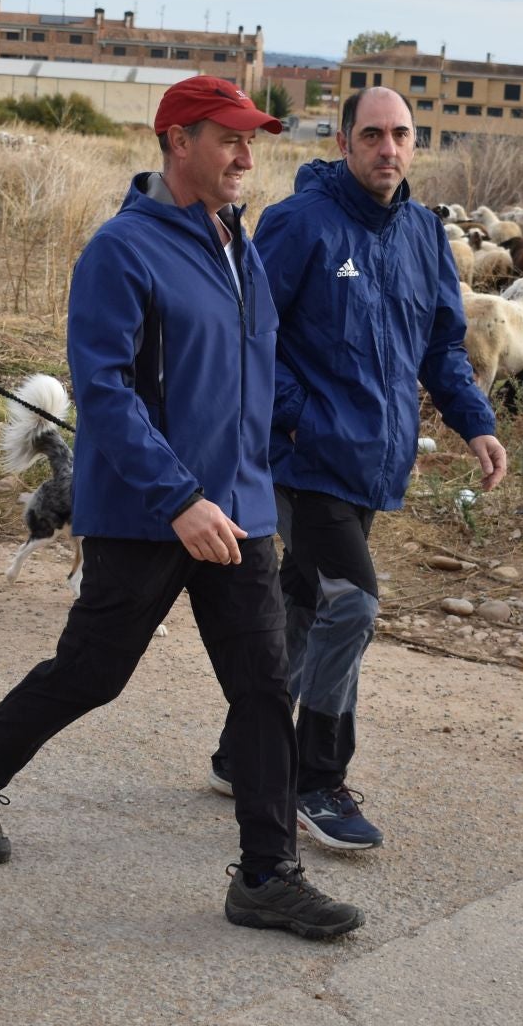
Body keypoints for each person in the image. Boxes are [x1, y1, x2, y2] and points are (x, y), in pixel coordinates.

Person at [0, 75, 363, 939]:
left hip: (241, 509)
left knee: (264, 686)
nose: (247, 157)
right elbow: (105, 392)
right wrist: (177, 498)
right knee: (94, 672)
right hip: (144, 511)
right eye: (229, 139)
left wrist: (295, 446)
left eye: (252, 141)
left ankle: (268, 875)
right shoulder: (121, 251)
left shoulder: (240, 245)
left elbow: (257, 372)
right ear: (177, 143)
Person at [208, 85, 504, 850]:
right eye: (372, 135)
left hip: (376, 461)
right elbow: (250, 332)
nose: (388, 149)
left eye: (401, 135)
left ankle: (244, 751)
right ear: (343, 142)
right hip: (306, 461)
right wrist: (296, 419)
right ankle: (314, 778)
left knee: (304, 604)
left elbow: (440, 346)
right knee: (354, 606)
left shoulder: (425, 235)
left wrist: (475, 423)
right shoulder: (300, 224)